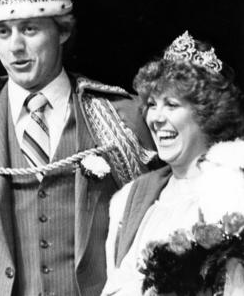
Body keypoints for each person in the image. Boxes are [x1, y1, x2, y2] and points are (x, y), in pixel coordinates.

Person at [0, 0, 156, 295]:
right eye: (3, 32)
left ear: (62, 31)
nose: (15, 46)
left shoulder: (122, 119)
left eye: (29, 29)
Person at [101, 31, 244, 296]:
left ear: (206, 113)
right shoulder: (131, 199)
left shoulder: (234, 191)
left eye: (172, 104)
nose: (156, 117)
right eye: (152, 104)